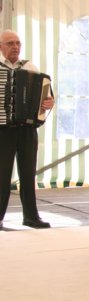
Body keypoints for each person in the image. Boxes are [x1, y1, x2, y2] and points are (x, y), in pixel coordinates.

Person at [0, 29, 54, 229]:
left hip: (27, 129)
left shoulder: (30, 67)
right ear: (0, 47)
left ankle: (31, 217)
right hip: (3, 130)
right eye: (10, 43)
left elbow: (46, 95)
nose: (15, 47)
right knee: (2, 175)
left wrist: (48, 103)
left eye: (18, 43)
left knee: (28, 174)